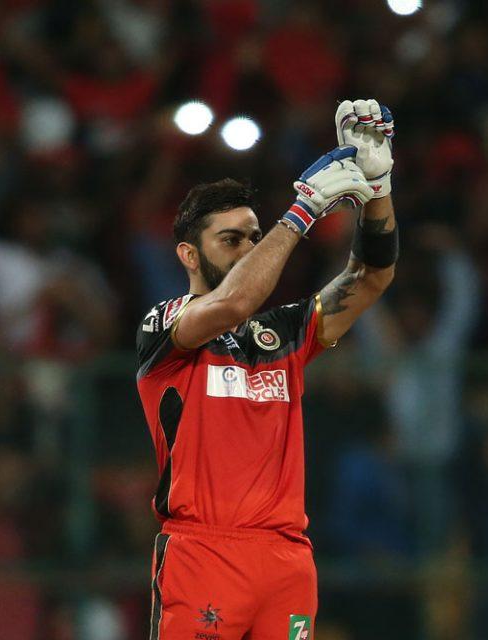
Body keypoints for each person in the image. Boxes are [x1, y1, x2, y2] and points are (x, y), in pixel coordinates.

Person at [135, 99, 398, 640]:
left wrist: (378, 189)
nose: (249, 249)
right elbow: (233, 302)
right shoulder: (165, 325)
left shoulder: (285, 334)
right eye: (230, 240)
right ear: (188, 255)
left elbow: (371, 277)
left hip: (287, 559)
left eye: (254, 237)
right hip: (204, 553)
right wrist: (302, 211)